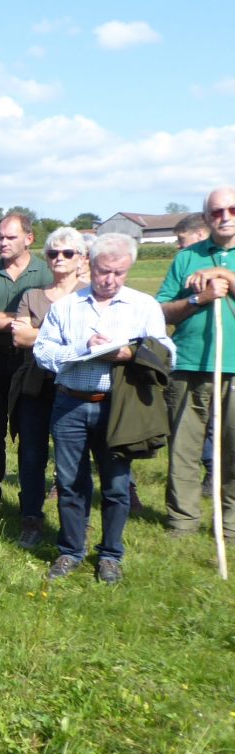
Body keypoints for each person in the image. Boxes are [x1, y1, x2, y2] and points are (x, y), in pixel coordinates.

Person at [34, 233, 173, 583]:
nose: (109, 279)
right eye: (103, 271)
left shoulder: (143, 306)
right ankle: (70, 550)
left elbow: (167, 352)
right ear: (89, 264)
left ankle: (110, 555)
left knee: (116, 484)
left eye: (118, 272)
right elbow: (42, 352)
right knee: (70, 482)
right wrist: (82, 348)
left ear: (129, 269)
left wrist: (130, 353)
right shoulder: (66, 306)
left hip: (118, 408)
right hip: (70, 404)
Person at [156, 187, 235, 539]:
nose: (225, 217)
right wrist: (198, 298)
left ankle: (231, 524)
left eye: (232, 209)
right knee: (184, 449)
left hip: (233, 366)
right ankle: (183, 521)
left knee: (233, 449)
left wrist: (225, 277)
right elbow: (162, 311)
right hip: (188, 364)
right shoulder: (186, 258)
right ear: (206, 218)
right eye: (216, 212)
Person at [0, 213, 53, 515]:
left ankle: (31, 500)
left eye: (10, 237)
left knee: (31, 433)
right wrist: (20, 321)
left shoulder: (46, 273)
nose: (3, 242)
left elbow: (49, 322)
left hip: (31, 362)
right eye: (0, 237)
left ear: (29, 239)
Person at [8, 227, 85, 548]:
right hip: (36, 385)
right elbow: (19, 337)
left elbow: (93, 339)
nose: (59, 258)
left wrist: (38, 334)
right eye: (53, 253)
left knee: (73, 459)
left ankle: (75, 526)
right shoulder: (32, 296)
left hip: (77, 386)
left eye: (67, 253)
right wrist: (72, 340)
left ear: (81, 258)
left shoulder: (90, 295)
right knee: (31, 455)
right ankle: (31, 519)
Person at [172, 212, 215, 496]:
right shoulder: (184, 261)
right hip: (189, 358)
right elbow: (164, 304)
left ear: (199, 234)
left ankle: (215, 471)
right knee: (190, 426)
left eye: (181, 239)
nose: (178, 245)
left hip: (221, 359)